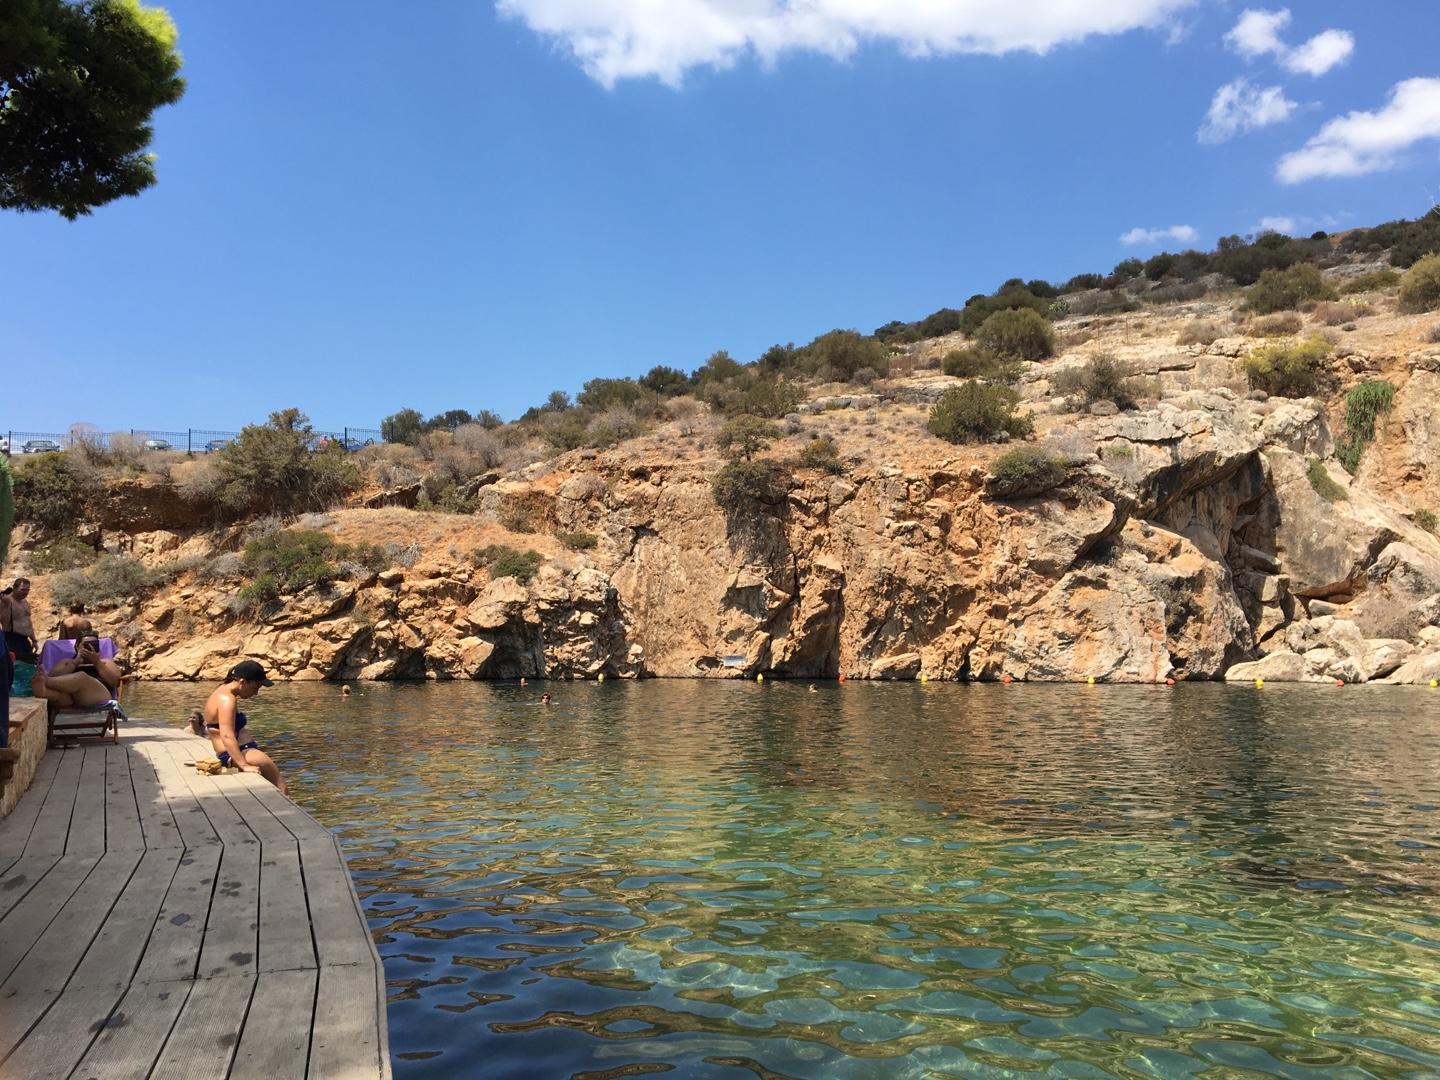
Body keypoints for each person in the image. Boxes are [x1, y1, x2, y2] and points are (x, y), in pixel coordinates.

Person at [203, 659, 287, 793]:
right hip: (237, 754)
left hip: (241, 751)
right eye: (255, 687)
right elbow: (227, 735)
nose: (256, 693)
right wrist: (243, 765)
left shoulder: (224, 691)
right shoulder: (227, 700)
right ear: (242, 681)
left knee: (275, 789)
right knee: (282, 789)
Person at [34, 635, 122, 711]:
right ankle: (44, 692)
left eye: (94, 644)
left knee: (82, 677)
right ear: (77, 647)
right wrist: (75, 663)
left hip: (99, 696)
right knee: (61, 695)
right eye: (86, 645)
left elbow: (115, 682)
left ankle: (46, 680)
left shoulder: (106, 662)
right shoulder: (66, 662)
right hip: (73, 699)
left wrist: (96, 662)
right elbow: (54, 677)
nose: (90, 647)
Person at [1, 578, 36, 663]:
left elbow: (28, 621)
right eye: (22, 590)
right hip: (12, 639)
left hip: (25, 640)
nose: (25, 592)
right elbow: (4, 621)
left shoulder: (25, 602)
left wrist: (34, 640)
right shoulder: (7, 601)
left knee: (28, 667)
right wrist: (6, 605)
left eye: (27, 590)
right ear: (14, 588)